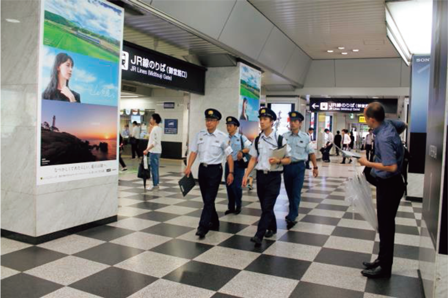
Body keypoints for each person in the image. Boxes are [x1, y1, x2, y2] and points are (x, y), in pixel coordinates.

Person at [358, 102, 406, 278]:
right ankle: (381, 258)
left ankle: (385, 268)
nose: (365, 121)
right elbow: (404, 125)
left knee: (386, 226)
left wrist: (367, 163)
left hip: (390, 185)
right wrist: (396, 146)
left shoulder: (384, 137)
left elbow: (392, 167)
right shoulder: (390, 125)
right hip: (388, 184)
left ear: (372, 119)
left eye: (365, 117)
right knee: (384, 224)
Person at [242, 108, 291, 247]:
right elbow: (253, 159)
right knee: (266, 207)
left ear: (272, 122)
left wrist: (279, 161)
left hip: (274, 177)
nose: (261, 122)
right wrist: (246, 175)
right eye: (261, 119)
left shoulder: (280, 139)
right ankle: (273, 227)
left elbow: (289, 159)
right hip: (260, 177)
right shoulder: (258, 140)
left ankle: (259, 234)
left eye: (265, 119)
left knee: (268, 205)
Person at [185, 109, 234, 239]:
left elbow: (229, 156)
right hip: (203, 170)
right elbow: (194, 152)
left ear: (217, 122)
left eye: (212, 120)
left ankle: (202, 227)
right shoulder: (200, 135)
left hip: (215, 170)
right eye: (207, 120)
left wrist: (231, 172)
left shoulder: (223, 137)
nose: (209, 122)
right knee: (206, 198)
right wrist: (188, 166)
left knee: (209, 199)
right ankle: (215, 221)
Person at [283, 112, 318, 229]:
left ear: (300, 123)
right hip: (287, 167)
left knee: (296, 192)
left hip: (299, 167)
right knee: (289, 192)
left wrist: (315, 167)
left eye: (295, 121)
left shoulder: (305, 137)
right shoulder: (284, 136)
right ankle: (293, 211)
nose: (292, 123)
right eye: (291, 121)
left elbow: (311, 153)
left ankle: (292, 215)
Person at [224, 116, 251, 215]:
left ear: (236, 127)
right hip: (228, 165)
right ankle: (231, 207)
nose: (228, 127)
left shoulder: (241, 138)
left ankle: (238, 205)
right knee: (229, 186)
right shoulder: (225, 138)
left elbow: (250, 147)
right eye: (227, 125)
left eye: (230, 126)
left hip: (238, 165)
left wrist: (242, 151)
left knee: (236, 187)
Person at [143, 114, 163, 191]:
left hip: (154, 151)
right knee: (155, 168)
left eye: (151, 118)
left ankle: (155, 185)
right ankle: (156, 184)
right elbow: (150, 133)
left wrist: (147, 149)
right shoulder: (158, 128)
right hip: (157, 151)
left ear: (154, 120)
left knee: (153, 169)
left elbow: (154, 142)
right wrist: (150, 126)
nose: (150, 120)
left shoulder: (155, 129)